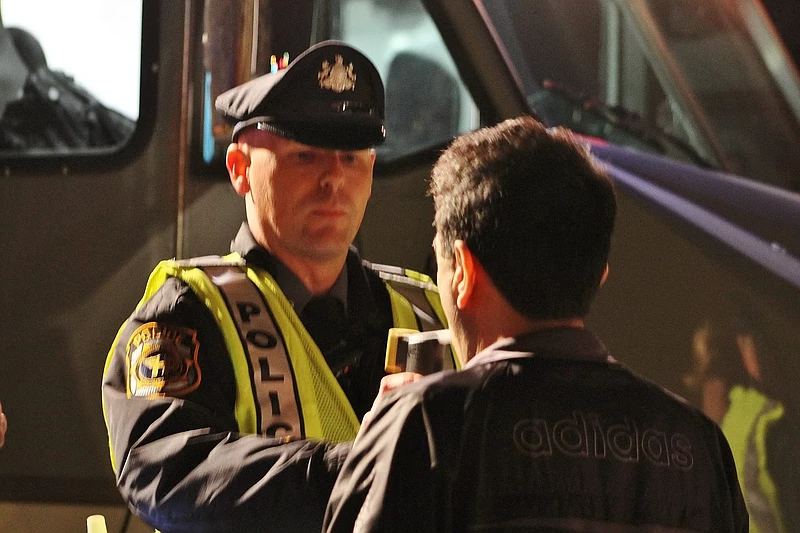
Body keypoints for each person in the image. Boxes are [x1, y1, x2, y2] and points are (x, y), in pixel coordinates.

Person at [324, 116, 749, 532]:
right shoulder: (699, 445)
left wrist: (376, 446)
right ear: (599, 273)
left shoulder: (429, 428)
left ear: (463, 273)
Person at [102, 40, 453, 533]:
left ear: (371, 171)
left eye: (352, 158)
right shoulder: (188, 311)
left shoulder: (429, 312)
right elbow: (167, 470)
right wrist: (361, 473)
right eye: (305, 156)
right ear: (240, 170)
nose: (334, 179)